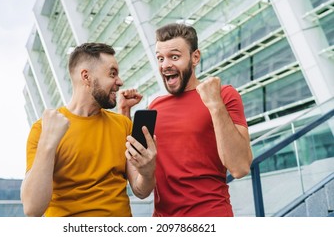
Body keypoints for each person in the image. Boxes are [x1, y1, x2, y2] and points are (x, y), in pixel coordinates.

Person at [120, 23, 252, 217]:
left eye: (174, 57)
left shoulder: (223, 95)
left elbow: (240, 167)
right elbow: (141, 187)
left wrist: (215, 105)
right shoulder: (155, 107)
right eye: (160, 58)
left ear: (195, 57)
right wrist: (124, 112)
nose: (165, 65)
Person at [21, 42, 157, 217]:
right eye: (112, 73)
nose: (120, 82)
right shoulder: (43, 129)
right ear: (86, 77)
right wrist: (48, 143)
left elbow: (141, 191)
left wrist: (147, 172)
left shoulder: (123, 125)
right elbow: (33, 209)